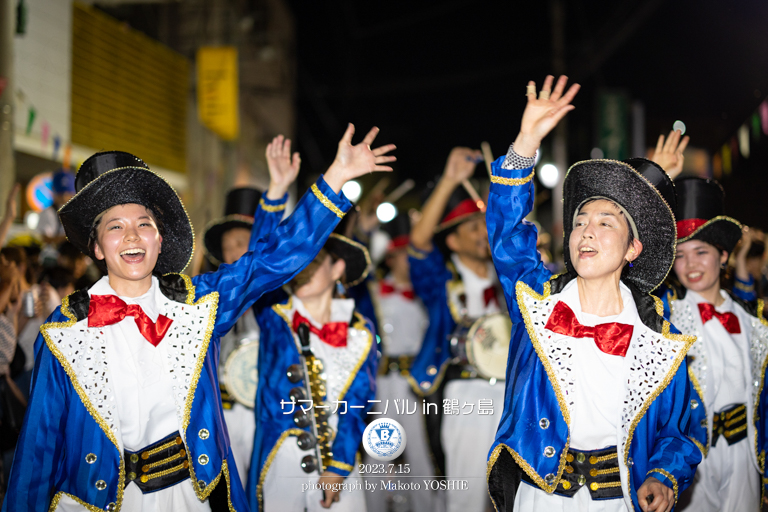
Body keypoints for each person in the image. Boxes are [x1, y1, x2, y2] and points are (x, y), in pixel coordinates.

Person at [2, 123, 395, 512]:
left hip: (193, 497)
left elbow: (273, 259)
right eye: (115, 228)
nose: (133, 237)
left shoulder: (199, 305)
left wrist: (337, 175)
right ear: (98, 247)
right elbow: (38, 448)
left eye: (144, 225)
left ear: (159, 241)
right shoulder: (64, 330)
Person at [485, 75, 700, 512]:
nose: (586, 232)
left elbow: (678, 431)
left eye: (606, 223)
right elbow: (507, 233)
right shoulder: (535, 302)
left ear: (632, 248)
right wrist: (526, 140)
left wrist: (662, 475)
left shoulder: (659, 336)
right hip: (539, 499)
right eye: (580, 221)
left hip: (617, 501)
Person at [658, 177, 768, 512]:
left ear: (722, 255)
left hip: (744, 453)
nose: (690, 265)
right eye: (681, 255)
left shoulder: (755, 321)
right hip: (691, 457)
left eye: (701, 252)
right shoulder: (666, 319)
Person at [247, 231, 377, 512]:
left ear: (337, 269)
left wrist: (339, 466)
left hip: (337, 455)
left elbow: (356, 405)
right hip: (281, 454)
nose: (302, 269)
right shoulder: (275, 314)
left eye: (314, 261)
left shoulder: (360, 331)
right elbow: (257, 258)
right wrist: (276, 194)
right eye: (298, 260)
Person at [407, 147, 506, 511]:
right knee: (465, 497)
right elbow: (418, 245)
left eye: (484, 225)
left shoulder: (507, 279)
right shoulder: (440, 282)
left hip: (511, 393)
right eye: (472, 228)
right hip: (466, 393)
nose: (483, 233)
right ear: (452, 241)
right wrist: (449, 180)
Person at [202, 135, 300, 485]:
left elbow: (263, 251)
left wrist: (275, 192)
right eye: (228, 247)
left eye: (241, 244)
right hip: (219, 412)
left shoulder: (273, 300)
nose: (233, 254)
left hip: (261, 410)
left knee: (261, 487)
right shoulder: (211, 296)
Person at [363, 213, 434, 512]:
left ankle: (426, 506)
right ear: (390, 258)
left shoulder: (428, 296)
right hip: (383, 382)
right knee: (379, 448)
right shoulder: (374, 293)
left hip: (415, 382)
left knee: (420, 451)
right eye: (403, 255)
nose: (409, 261)